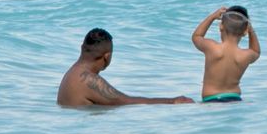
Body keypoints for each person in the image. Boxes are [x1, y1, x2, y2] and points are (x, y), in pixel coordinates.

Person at [56, 28, 193, 107]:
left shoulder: (72, 73)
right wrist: (173, 101)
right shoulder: (88, 80)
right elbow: (127, 102)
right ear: (107, 56)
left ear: (82, 48)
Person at [192, 6, 260, 102]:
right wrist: (251, 30)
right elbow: (256, 51)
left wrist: (212, 17)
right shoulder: (245, 55)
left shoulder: (213, 48)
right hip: (235, 99)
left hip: (212, 100)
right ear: (245, 31)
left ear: (221, 26)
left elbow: (196, 36)